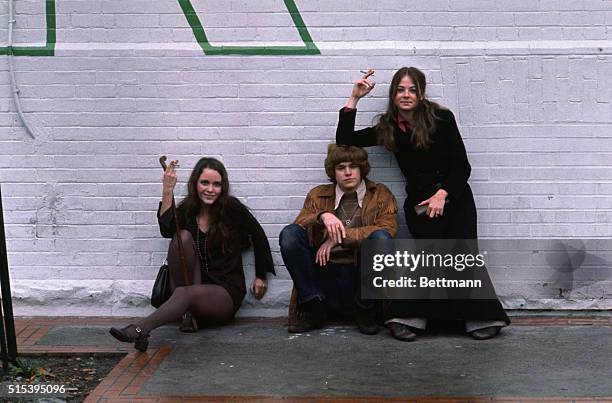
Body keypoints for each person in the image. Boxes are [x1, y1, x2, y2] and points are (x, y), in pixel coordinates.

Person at [336, 66, 510, 341]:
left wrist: (444, 194)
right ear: (393, 95)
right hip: (420, 205)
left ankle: (480, 318)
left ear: (420, 93)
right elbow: (344, 140)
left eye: (412, 90)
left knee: (461, 257)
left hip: (455, 199)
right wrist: (354, 98)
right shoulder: (388, 128)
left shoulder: (441, 118)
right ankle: (410, 318)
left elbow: (462, 166)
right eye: (400, 90)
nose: (406, 95)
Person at [110, 157, 275, 351]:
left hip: (225, 292)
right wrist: (167, 189)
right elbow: (166, 229)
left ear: (223, 187)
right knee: (183, 237)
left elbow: (258, 235)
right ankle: (189, 315)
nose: (210, 189)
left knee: (183, 293)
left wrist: (261, 276)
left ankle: (140, 329)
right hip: (193, 284)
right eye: (204, 182)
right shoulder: (189, 209)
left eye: (216, 184)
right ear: (195, 183)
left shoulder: (231, 208)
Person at [279, 144, 398, 334]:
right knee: (289, 235)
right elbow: (300, 224)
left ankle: (364, 310)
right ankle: (313, 307)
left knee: (381, 239)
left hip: (359, 274)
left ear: (362, 169)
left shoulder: (380, 194)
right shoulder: (318, 194)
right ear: (333, 171)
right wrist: (323, 216)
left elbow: (387, 229)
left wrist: (338, 238)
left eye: (353, 167)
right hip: (324, 273)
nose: (348, 172)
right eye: (341, 168)